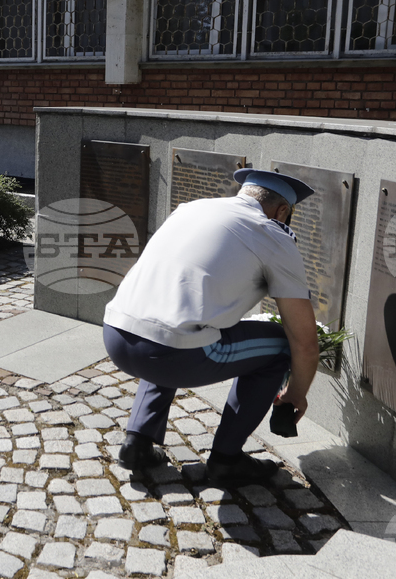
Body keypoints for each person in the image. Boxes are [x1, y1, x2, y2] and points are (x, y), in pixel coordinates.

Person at [102, 169, 321, 484]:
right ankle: (226, 460)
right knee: (280, 346)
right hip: (171, 355)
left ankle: (137, 441)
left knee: (175, 320)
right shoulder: (272, 234)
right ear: (282, 211)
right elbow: (305, 343)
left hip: (116, 334)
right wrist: (295, 394)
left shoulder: (192, 208)